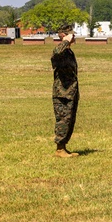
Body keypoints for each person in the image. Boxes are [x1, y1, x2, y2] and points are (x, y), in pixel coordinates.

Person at [51, 23, 79, 158]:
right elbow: (56, 53)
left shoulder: (68, 51)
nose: (73, 37)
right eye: (71, 34)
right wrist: (65, 41)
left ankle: (64, 147)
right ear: (63, 35)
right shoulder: (59, 51)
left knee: (69, 120)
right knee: (63, 120)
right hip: (62, 92)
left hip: (70, 91)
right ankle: (59, 149)